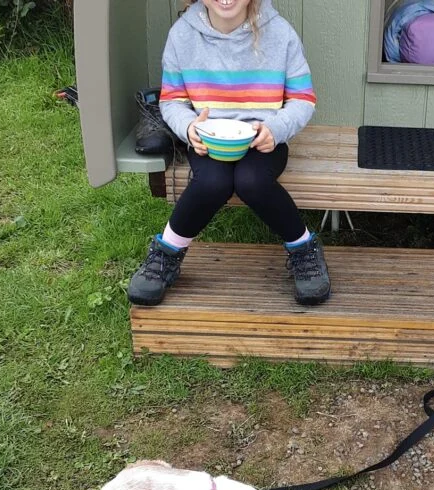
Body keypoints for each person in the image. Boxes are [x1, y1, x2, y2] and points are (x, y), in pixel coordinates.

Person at [127, 0, 330, 307]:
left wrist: (276, 129)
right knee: (212, 182)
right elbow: (172, 101)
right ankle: (165, 255)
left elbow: (302, 99)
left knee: (251, 181)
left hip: (263, 139)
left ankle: (304, 249)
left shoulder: (279, 33)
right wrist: (188, 127)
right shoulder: (183, 35)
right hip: (208, 140)